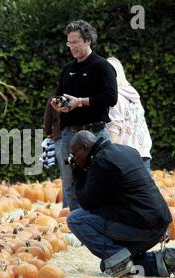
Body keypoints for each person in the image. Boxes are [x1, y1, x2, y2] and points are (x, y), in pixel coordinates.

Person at [67, 131, 175, 278]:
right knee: (107, 265)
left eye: (74, 154)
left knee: (75, 219)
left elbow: (87, 203)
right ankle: (169, 261)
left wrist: (77, 173)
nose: (74, 159)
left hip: (143, 226)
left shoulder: (102, 161)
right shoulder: (126, 150)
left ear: (84, 146)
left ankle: (120, 264)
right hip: (159, 223)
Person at [50, 20, 118, 211]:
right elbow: (59, 94)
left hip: (94, 132)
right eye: (69, 43)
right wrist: (58, 103)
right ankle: (76, 225)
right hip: (69, 135)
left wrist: (80, 101)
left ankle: (101, 223)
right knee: (69, 183)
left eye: (75, 42)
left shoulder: (102, 66)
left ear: (88, 40)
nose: (72, 46)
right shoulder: (67, 69)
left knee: (100, 180)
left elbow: (111, 98)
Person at [106, 57, 152, 173]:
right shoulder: (132, 95)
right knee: (144, 190)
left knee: (122, 190)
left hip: (125, 155)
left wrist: (110, 156)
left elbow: (115, 126)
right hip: (143, 150)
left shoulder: (114, 98)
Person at [44, 96, 68, 207]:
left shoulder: (54, 99)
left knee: (66, 175)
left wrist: (49, 133)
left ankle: (67, 208)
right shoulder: (77, 94)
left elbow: (47, 121)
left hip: (60, 138)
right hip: (78, 138)